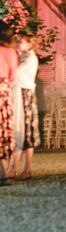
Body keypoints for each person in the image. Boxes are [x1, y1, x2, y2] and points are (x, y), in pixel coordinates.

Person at [7, 33, 40, 181]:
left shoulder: (30, 58)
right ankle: (15, 168)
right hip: (22, 94)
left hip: (25, 95)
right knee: (23, 133)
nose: (18, 44)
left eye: (21, 42)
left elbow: (17, 73)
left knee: (26, 132)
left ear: (29, 44)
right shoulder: (24, 57)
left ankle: (22, 169)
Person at [0, 22, 17, 186]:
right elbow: (13, 76)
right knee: (3, 131)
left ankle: (2, 172)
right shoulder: (11, 52)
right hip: (4, 91)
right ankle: (3, 171)